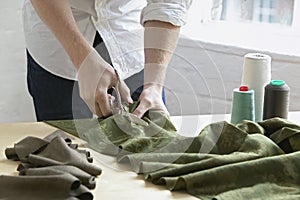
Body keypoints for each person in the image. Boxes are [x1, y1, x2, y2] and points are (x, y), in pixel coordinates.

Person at [23, 0, 192, 121]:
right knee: (63, 148)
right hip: (58, 37)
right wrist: (82, 58)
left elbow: (169, 4)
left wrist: (154, 86)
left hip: (129, 36)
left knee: (151, 136)